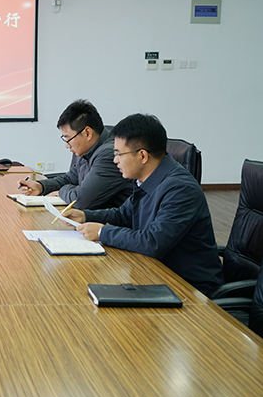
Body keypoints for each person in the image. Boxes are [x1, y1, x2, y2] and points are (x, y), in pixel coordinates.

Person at [63, 113, 223, 297]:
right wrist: (85, 215)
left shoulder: (180, 189)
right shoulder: (148, 179)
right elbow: (124, 215)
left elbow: (153, 242)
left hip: (190, 291)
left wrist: (102, 232)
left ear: (142, 156)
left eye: (119, 154)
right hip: (155, 275)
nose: (115, 160)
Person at [18, 99, 132, 209]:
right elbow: (70, 178)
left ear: (87, 133)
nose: (67, 145)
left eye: (68, 139)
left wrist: (62, 191)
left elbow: (81, 200)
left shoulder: (110, 153)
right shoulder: (85, 147)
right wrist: (41, 186)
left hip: (111, 220)